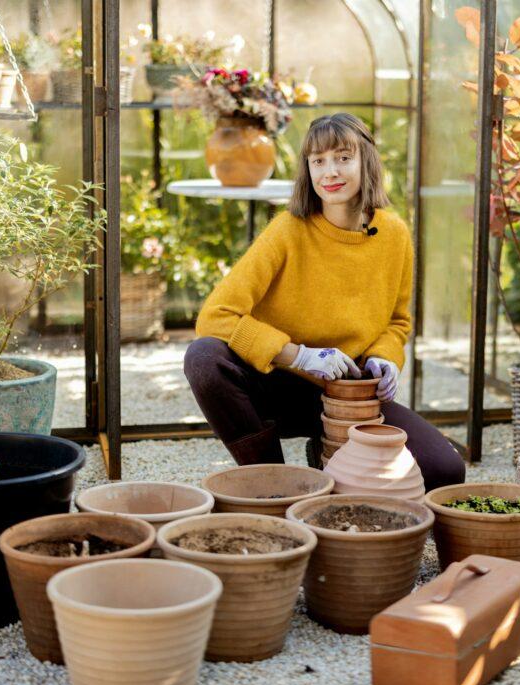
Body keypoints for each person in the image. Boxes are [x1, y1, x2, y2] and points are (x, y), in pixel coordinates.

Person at [184, 112, 465, 490]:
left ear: (366, 160)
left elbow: (397, 322)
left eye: (343, 158)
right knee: (204, 357)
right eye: (318, 161)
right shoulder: (288, 230)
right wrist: (299, 356)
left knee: (445, 471)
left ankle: (325, 449)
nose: (329, 172)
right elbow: (215, 316)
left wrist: (385, 357)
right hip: (274, 385)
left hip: (347, 393)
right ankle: (274, 482)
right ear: (308, 170)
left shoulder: (394, 234)